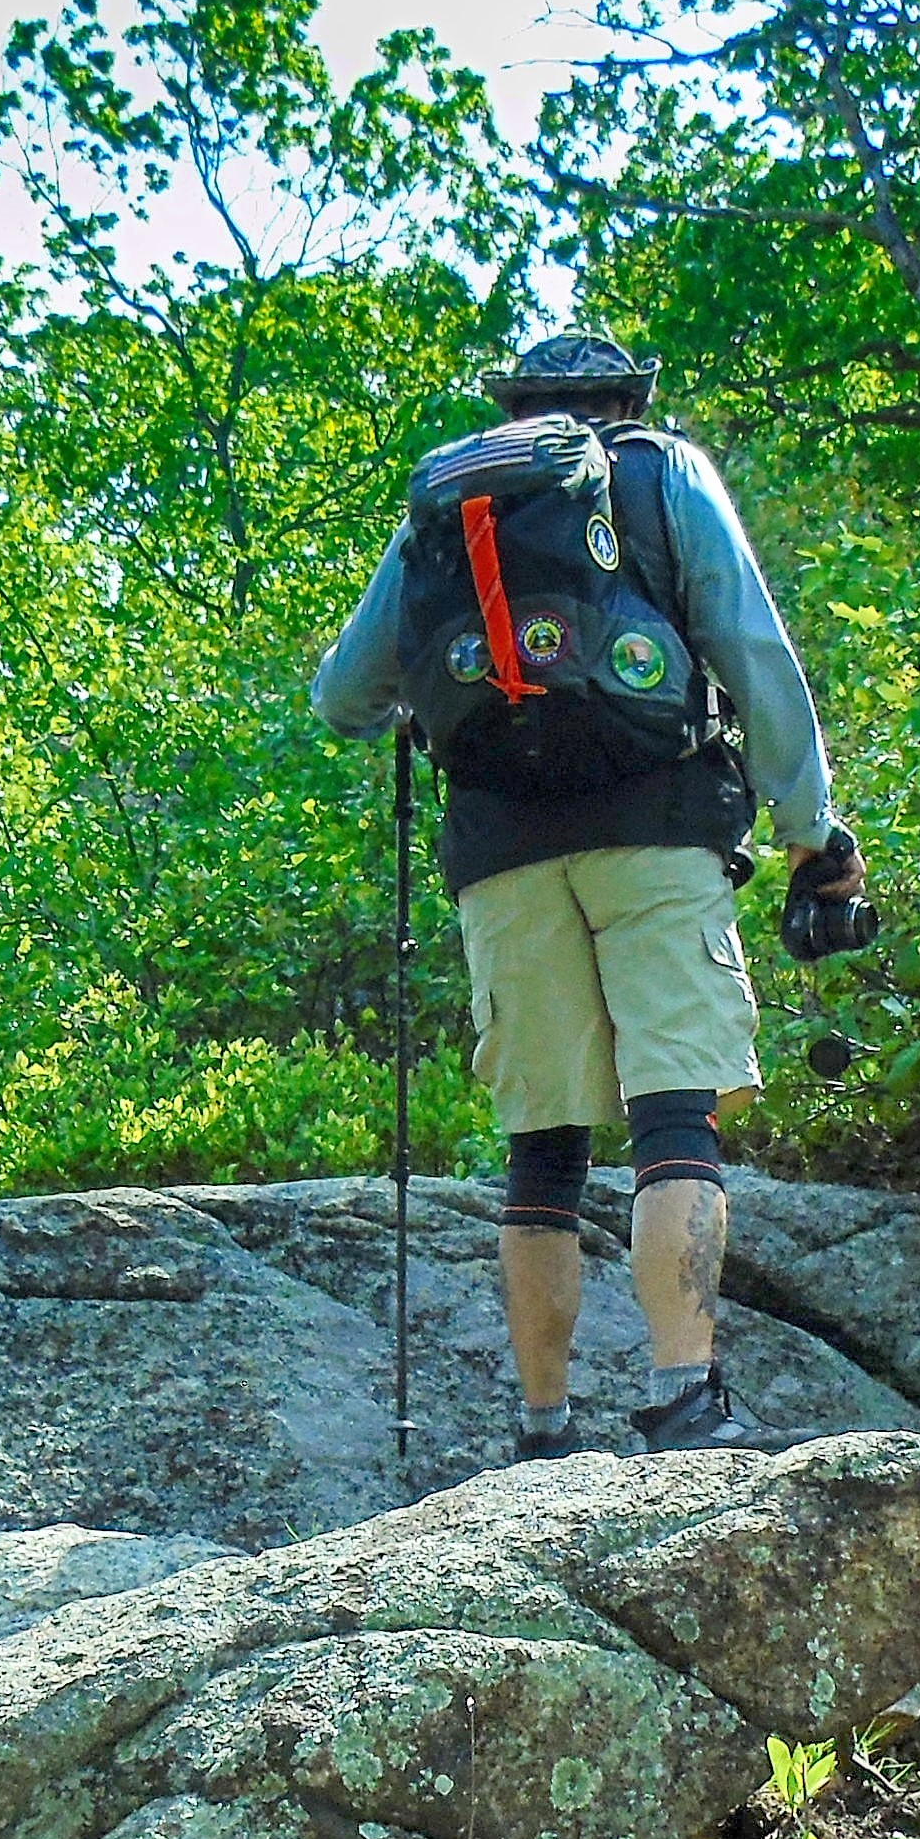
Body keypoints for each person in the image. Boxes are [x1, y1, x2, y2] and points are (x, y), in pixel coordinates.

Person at [310, 326, 871, 1457]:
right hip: (655, 825)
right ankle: (685, 1400)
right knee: (674, 1105)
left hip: (498, 853)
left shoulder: (446, 509)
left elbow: (341, 698)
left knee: (545, 1136)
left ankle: (542, 1429)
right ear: (631, 397)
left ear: (513, 406)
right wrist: (811, 832)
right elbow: (750, 650)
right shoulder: (661, 470)